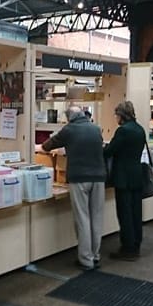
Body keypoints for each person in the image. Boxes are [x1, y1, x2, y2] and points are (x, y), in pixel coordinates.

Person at [35, 105, 105, 270]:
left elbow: (47, 146)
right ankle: (95, 256)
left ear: (69, 118)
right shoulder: (96, 129)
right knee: (96, 218)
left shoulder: (69, 130)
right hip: (99, 177)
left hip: (79, 178)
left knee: (82, 219)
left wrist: (36, 147)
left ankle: (85, 260)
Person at [104, 101, 146, 261]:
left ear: (121, 115)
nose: (115, 118)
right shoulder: (139, 129)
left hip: (123, 178)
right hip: (136, 176)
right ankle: (136, 244)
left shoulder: (123, 131)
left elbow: (110, 151)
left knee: (125, 213)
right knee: (136, 212)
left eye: (116, 115)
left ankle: (127, 248)